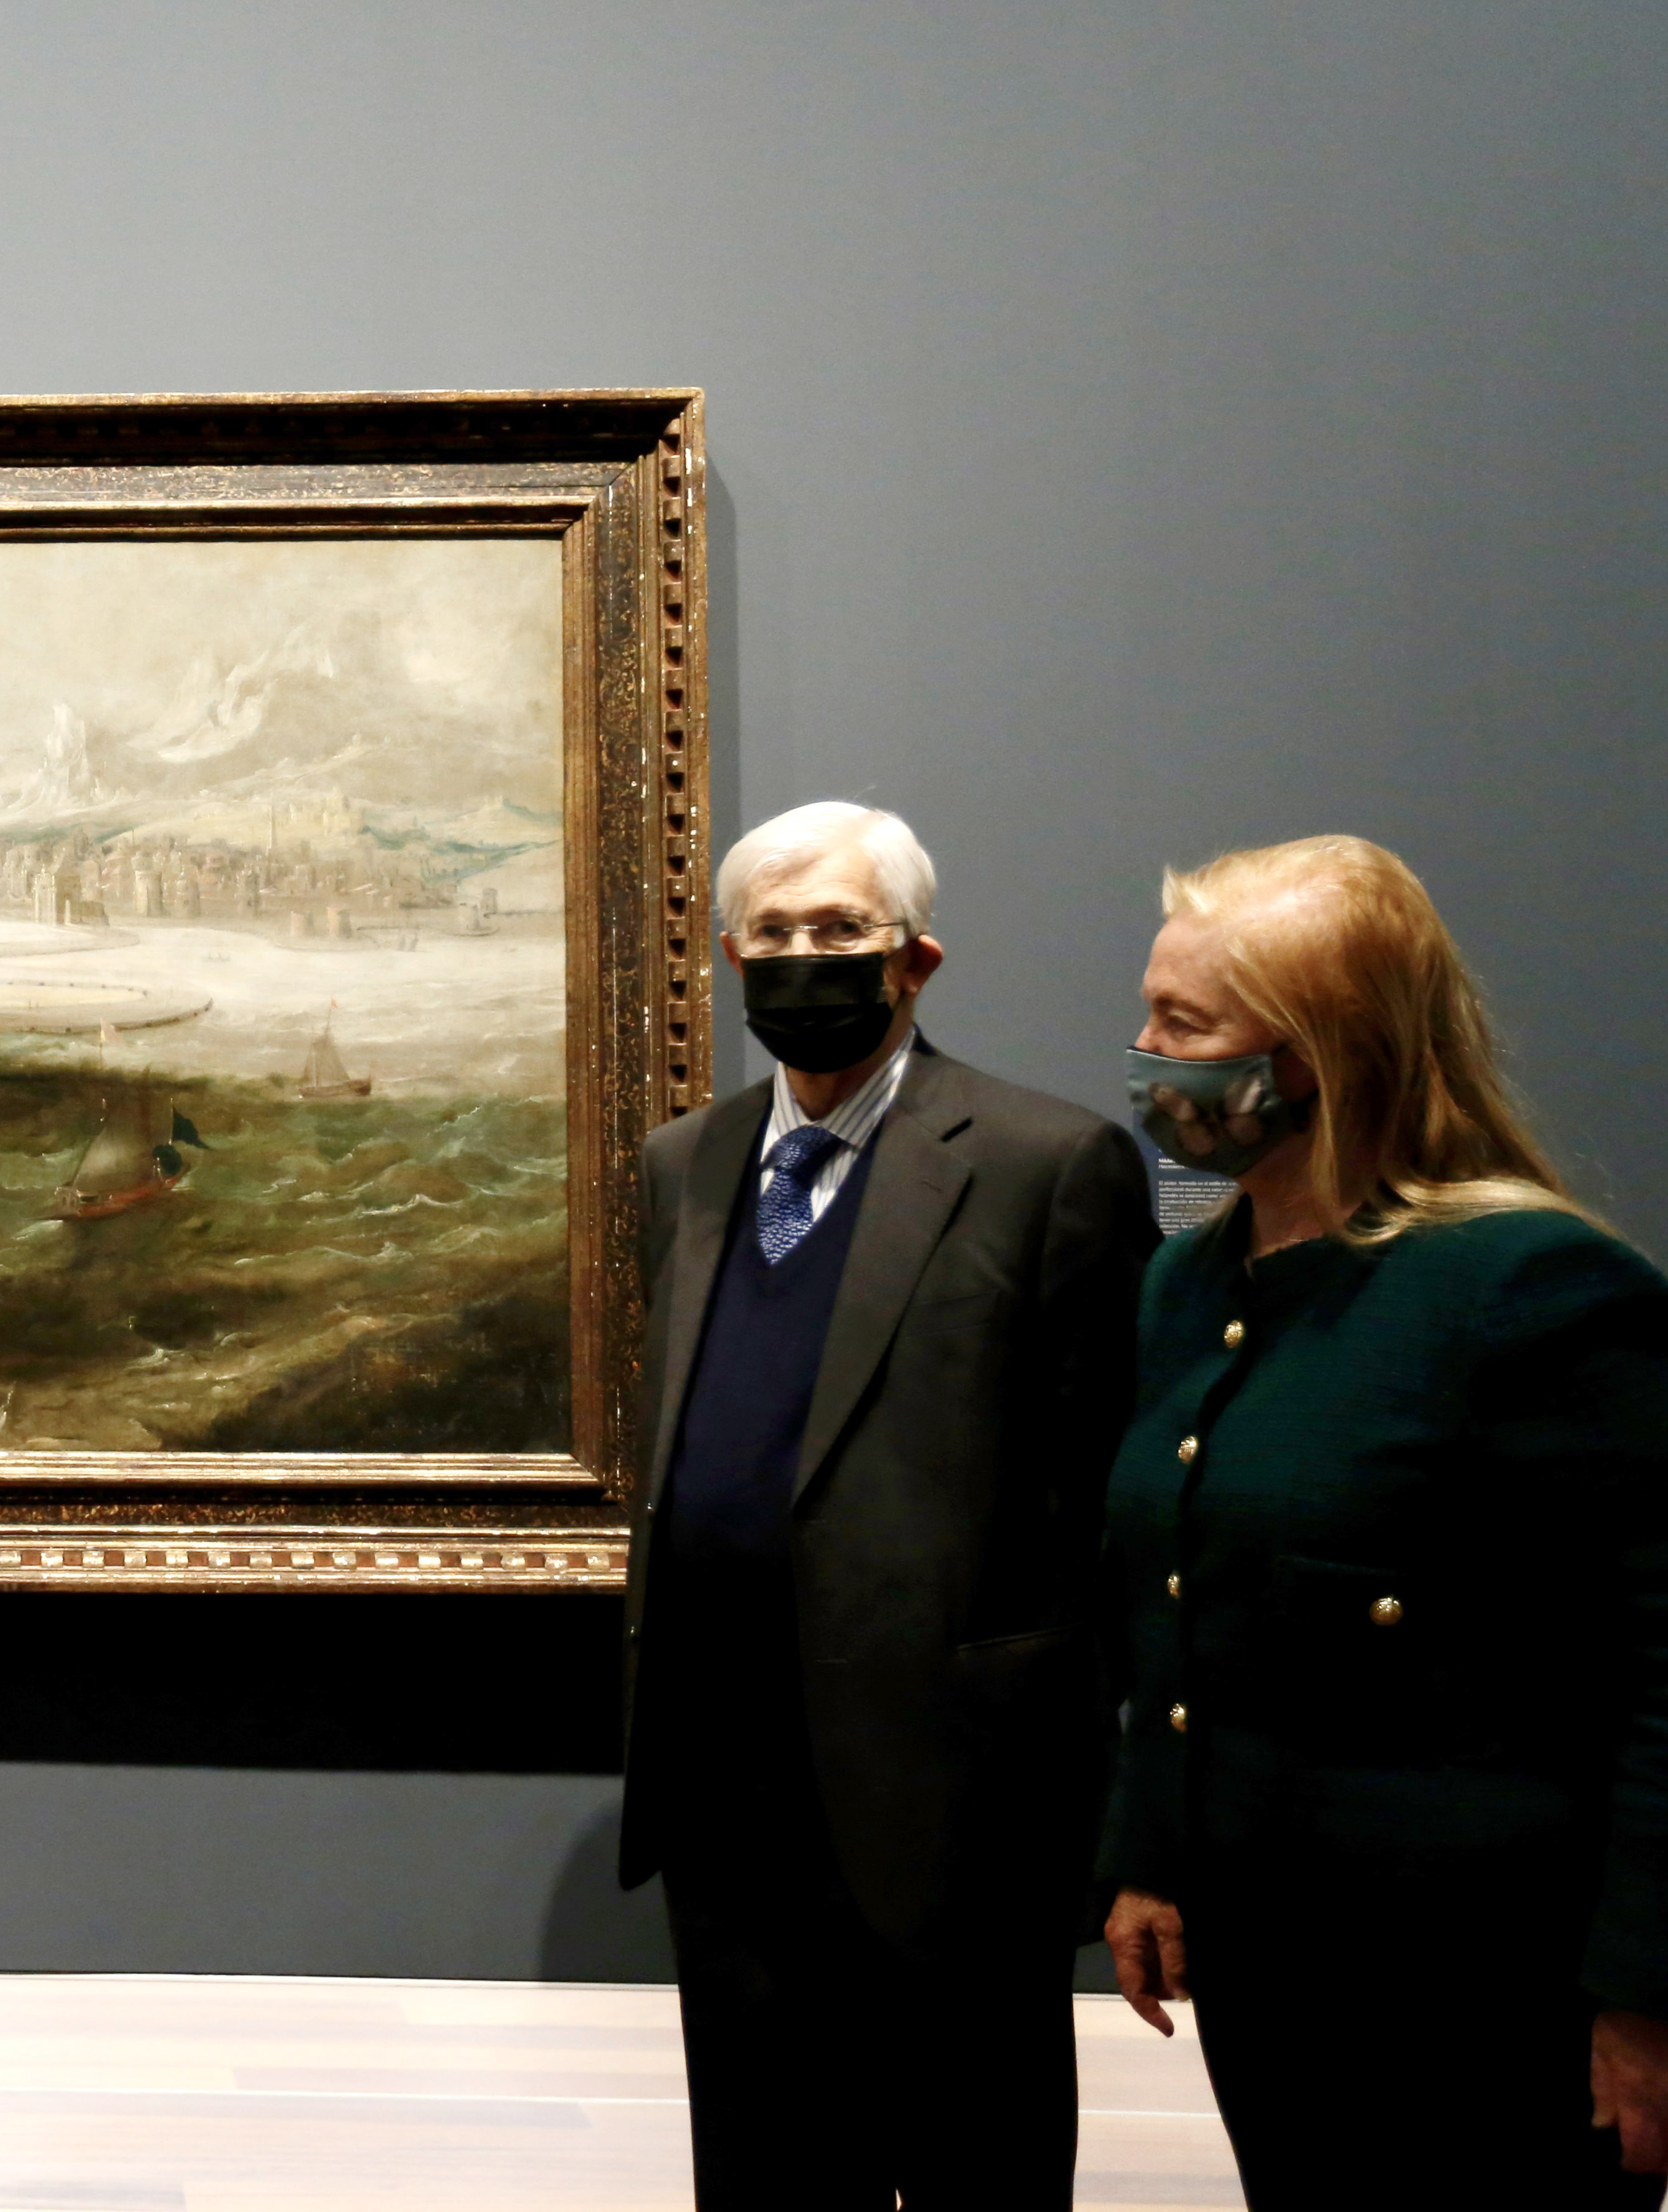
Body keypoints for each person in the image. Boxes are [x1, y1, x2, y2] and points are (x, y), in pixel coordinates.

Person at [1099, 836, 1668, 2205]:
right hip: (1274, 1972)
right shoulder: (1190, 1283)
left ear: (1314, 1057)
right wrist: (1149, 1858)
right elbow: (1180, 1611)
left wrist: (1646, 1992)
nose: (1145, 1053)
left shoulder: (1524, 1285)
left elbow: (1662, 1661)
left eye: (1182, 1023)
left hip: (1485, 1990)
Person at [619, 800, 1158, 2206]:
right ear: (730, 955)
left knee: (974, 2164)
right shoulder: (683, 1163)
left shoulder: (1047, 1162)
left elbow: (1108, 1498)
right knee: (763, 2170)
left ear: (914, 956)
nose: (804, 955)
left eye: (840, 927)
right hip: (724, 1781)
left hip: (953, 1795)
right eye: (773, 931)